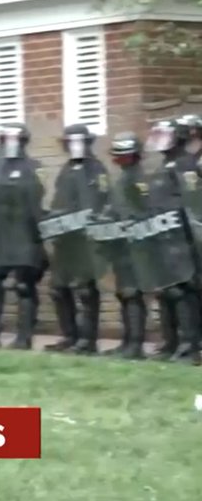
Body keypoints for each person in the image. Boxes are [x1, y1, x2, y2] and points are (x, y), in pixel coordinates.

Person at [0, 123, 45, 349]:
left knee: (24, 286)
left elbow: (38, 202)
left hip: (24, 235)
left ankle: (24, 336)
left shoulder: (34, 167)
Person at [43, 124, 109, 354]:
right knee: (58, 289)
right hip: (65, 239)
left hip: (85, 239)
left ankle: (87, 341)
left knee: (85, 289)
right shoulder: (67, 169)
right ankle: (69, 336)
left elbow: (97, 203)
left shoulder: (96, 169)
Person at [141, 118, 201, 363]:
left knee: (183, 291)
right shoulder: (163, 166)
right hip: (162, 239)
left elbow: (193, 203)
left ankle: (190, 346)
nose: (161, 140)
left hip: (182, 240)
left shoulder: (186, 166)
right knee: (166, 292)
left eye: (166, 134)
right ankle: (170, 343)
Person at [96, 132, 146, 359]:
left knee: (132, 293)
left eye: (125, 155)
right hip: (120, 244)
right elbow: (113, 207)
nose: (121, 159)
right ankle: (127, 342)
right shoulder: (123, 179)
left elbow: (143, 211)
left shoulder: (140, 179)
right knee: (124, 294)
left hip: (136, 244)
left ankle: (135, 345)